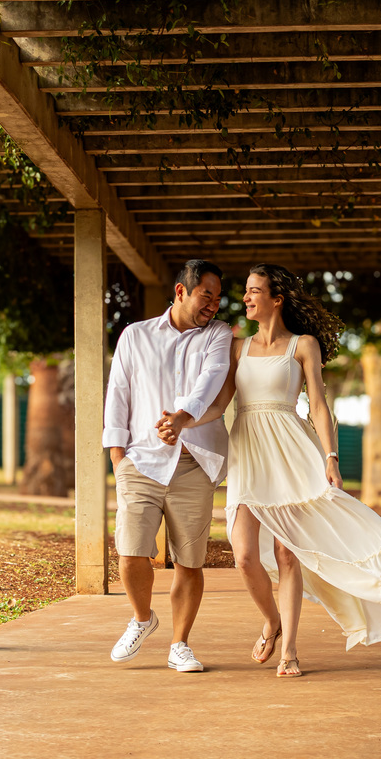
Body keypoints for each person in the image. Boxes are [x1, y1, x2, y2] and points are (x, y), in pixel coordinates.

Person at [159, 263, 381, 678]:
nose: (245, 298)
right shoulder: (236, 347)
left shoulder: (303, 345)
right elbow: (221, 405)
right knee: (243, 555)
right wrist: (183, 421)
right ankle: (272, 621)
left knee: (286, 554)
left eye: (253, 290)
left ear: (276, 299)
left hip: (292, 452)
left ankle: (290, 649)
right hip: (250, 451)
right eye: (245, 291)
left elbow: (317, 406)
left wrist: (331, 458)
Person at [103, 259, 232, 673]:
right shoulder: (135, 336)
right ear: (181, 292)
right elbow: (118, 391)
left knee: (189, 562)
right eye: (205, 296)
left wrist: (181, 418)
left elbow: (211, 380)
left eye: (217, 297)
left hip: (194, 465)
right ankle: (143, 618)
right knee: (130, 552)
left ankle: (180, 644)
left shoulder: (219, 335)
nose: (212, 305)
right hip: (141, 462)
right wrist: (116, 453)